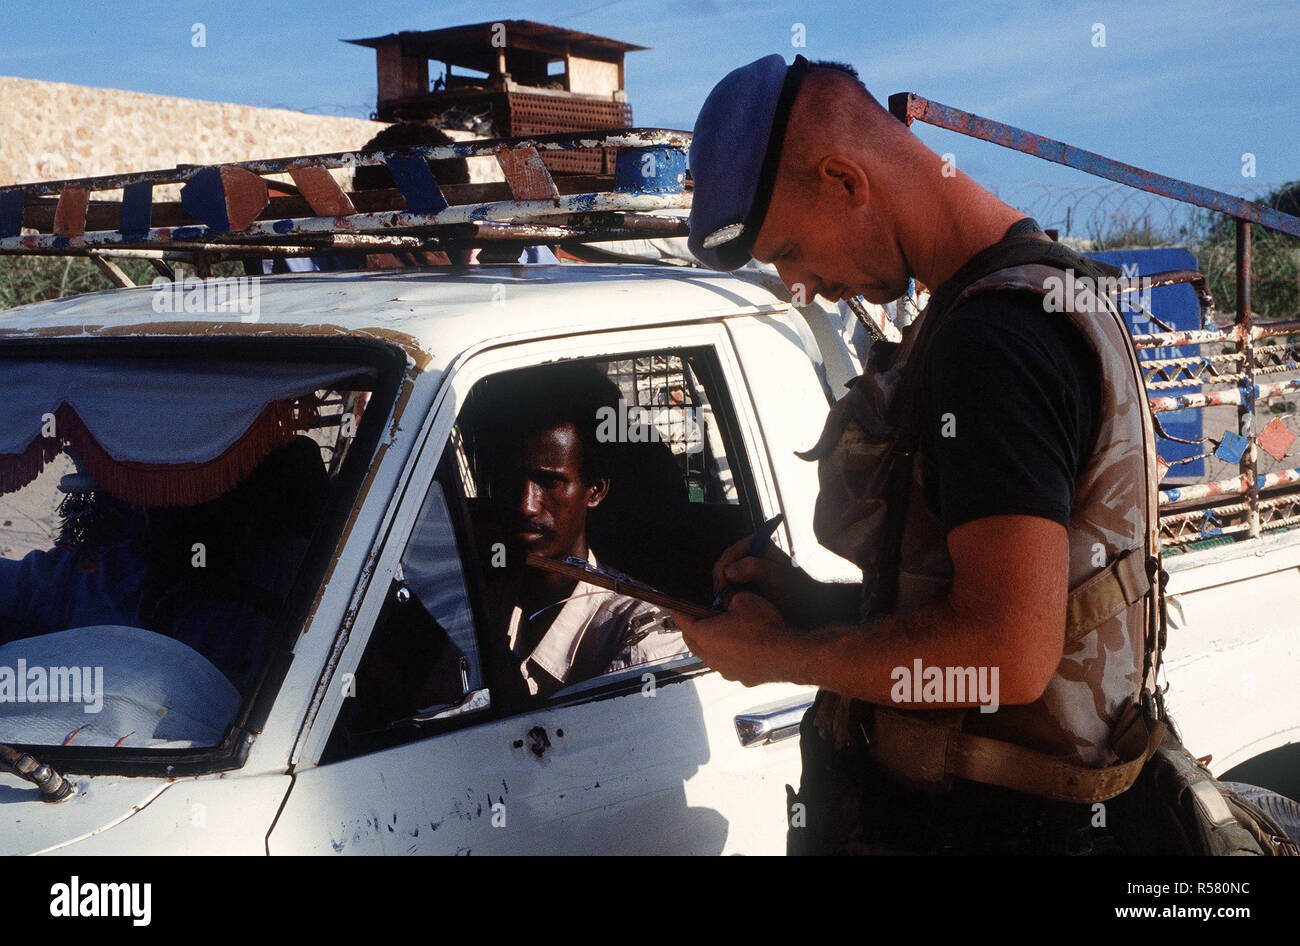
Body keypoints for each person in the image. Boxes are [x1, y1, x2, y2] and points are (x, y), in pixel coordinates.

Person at [674, 55, 1166, 854]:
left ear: (844, 178)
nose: (801, 285)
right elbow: (980, 609)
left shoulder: (993, 340)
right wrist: (805, 602)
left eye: (791, 250)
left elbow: (1003, 659)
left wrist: (785, 657)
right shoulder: (1034, 289)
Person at [466, 363, 689, 702]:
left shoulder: (640, 631)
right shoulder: (473, 594)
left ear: (595, 490)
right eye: (510, 479)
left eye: (550, 481)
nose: (526, 504)